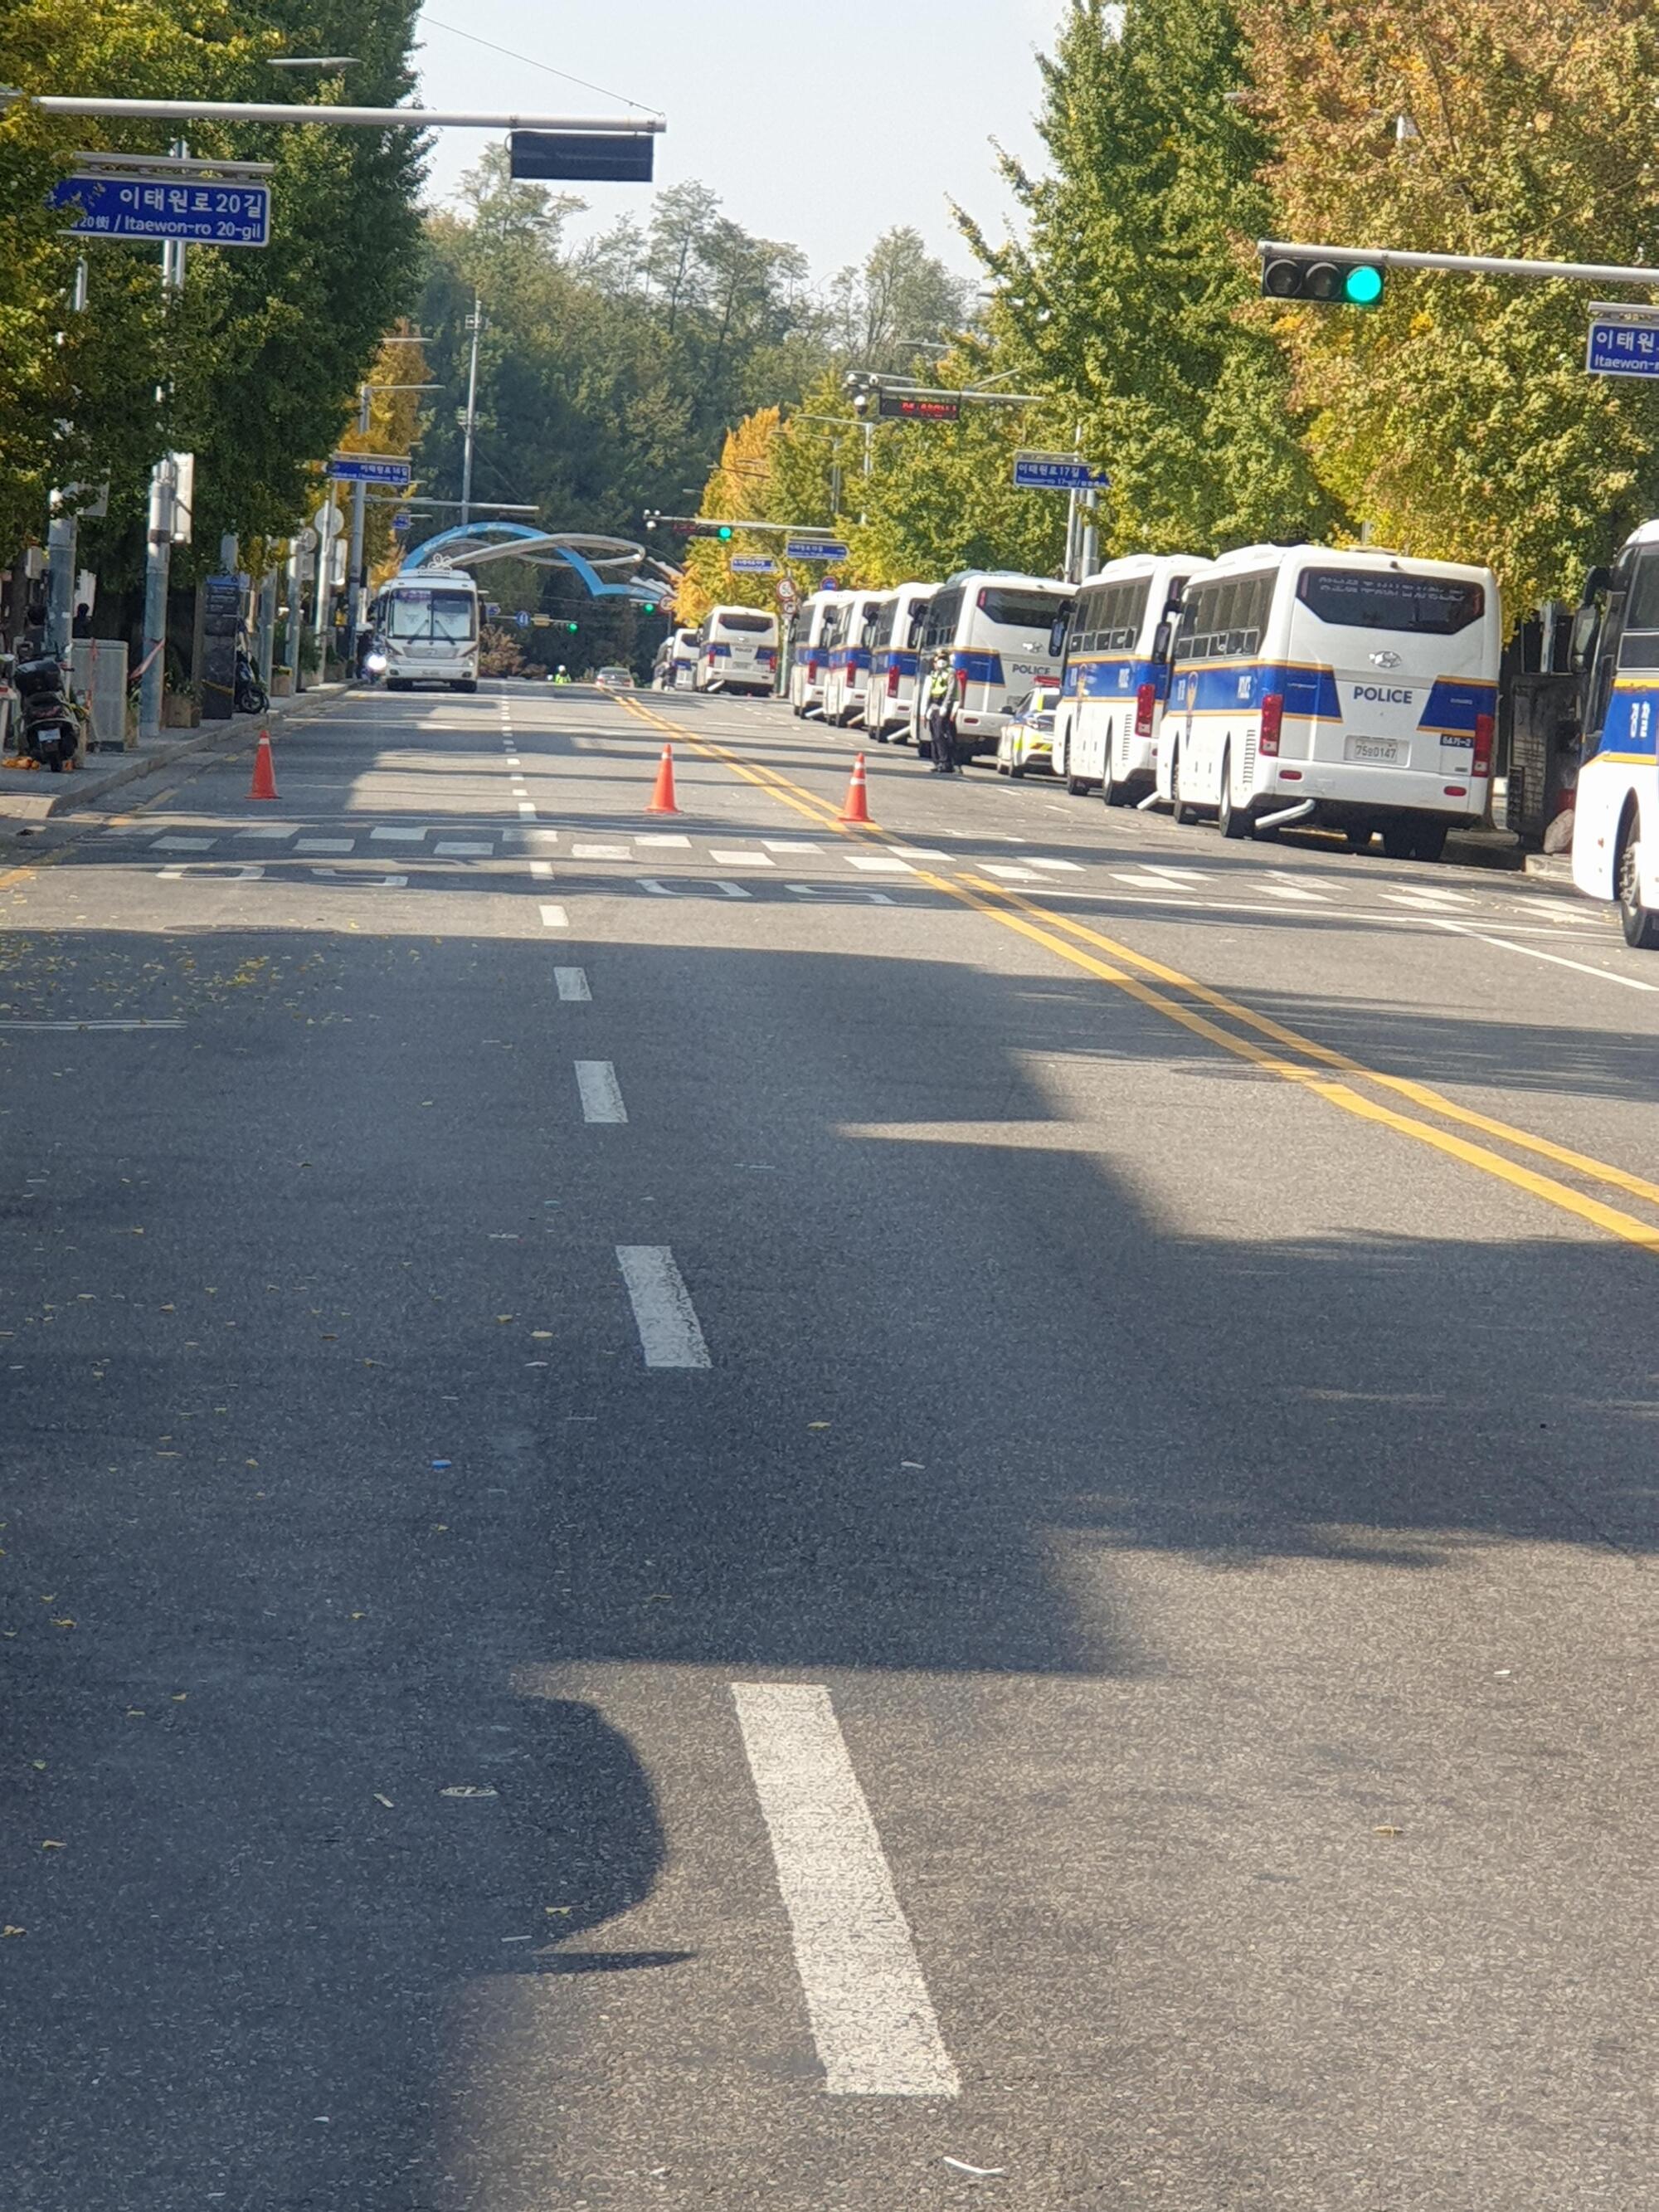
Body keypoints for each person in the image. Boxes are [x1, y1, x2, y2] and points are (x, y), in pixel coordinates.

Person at [925, 651, 958, 774]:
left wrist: (945, 706)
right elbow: (932, 691)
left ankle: (945, 762)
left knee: (940, 735)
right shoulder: (935, 673)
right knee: (934, 736)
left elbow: (950, 691)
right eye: (938, 659)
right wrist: (929, 708)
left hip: (943, 708)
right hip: (934, 707)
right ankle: (937, 761)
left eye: (943, 659)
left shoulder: (950, 673)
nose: (939, 662)